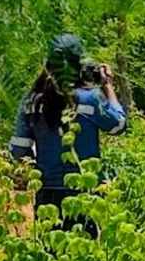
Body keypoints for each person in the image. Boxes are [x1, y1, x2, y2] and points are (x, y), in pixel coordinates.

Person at [8, 33, 127, 232]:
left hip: (47, 193)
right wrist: (108, 86)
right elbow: (118, 125)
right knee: (84, 247)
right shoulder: (90, 98)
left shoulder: (31, 101)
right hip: (85, 190)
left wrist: (39, 170)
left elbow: (18, 149)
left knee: (51, 247)